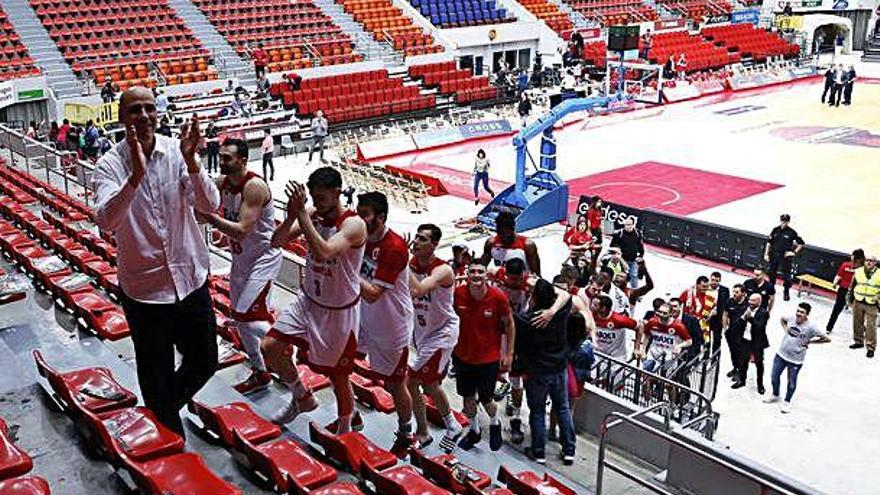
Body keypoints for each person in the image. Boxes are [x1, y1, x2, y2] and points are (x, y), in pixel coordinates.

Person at [91, 87, 220, 436]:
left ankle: (159, 413)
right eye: (135, 110)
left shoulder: (178, 153)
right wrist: (135, 176)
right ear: (121, 117)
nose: (144, 116)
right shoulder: (109, 165)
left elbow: (210, 204)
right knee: (155, 376)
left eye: (149, 108)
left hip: (190, 281)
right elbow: (106, 220)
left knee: (206, 361)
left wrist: (193, 162)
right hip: (145, 293)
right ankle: (170, 454)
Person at [263, 168, 367, 433]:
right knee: (271, 346)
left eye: (321, 197)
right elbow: (276, 241)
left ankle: (346, 428)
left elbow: (324, 252)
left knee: (338, 376)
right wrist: (290, 218)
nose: (316, 202)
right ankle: (301, 397)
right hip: (308, 299)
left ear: (337, 193)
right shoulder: (312, 214)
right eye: (313, 197)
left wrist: (301, 214)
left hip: (338, 310)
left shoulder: (353, 224)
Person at [198, 137, 282, 394]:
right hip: (241, 260)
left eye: (227, 158)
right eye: (220, 157)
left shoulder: (254, 186)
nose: (221, 161)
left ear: (243, 161)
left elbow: (243, 231)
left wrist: (209, 217)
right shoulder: (223, 183)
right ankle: (260, 371)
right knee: (241, 317)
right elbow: (199, 194)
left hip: (262, 259)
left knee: (249, 316)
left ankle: (284, 351)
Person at [356, 192, 416, 457]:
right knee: (338, 362)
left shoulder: (393, 247)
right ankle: (349, 416)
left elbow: (371, 293)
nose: (359, 218)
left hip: (392, 325)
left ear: (381, 217)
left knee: (394, 384)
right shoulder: (359, 235)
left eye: (365, 214)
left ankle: (407, 433)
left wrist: (345, 268)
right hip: (363, 316)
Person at [408, 224, 462, 451]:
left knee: (410, 380)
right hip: (423, 333)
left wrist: (400, 261)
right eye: (416, 237)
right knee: (430, 385)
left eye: (422, 239)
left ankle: (422, 431)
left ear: (434, 245)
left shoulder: (443, 270)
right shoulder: (411, 265)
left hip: (442, 333)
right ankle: (452, 424)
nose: (416, 242)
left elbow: (419, 289)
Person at [453, 261, 515, 452]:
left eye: (481, 271)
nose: (477, 275)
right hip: (462, 356)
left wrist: (509, 353)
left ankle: (495, 424)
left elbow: (509, 325)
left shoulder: (498, 297)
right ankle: (474, 431)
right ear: (467, 274)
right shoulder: (458, 294)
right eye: (472, 271)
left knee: (487, 400)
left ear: (487, 276)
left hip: (488, 359)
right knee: (467, 399)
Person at [517, 280, 575, 465]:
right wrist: (552, 310)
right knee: (563, 408)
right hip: (559, 368)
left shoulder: (529, 319)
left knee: (538, 412)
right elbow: (565, 296)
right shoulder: (560, 312)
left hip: (538, 372)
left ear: (533, 297)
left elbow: (507, 315)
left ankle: (539, 452)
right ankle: (569, 450)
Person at [764, 303, 830, 412]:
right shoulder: (791, 318)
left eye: (802, 312)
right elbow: (782, 319)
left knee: (791, 382)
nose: (798, 314)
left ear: (807, 315)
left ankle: (787, 401)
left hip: (795, 360)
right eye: (798, 311)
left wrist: (810, 342)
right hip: (781, 355)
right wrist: (786, 329)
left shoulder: (811, 327)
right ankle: (775, 395)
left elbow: (826, 339)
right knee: (774, 376)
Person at [638, 303, 692, 376]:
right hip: (653, 355)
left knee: (666, 383)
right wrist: (643, 349)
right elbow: (647, 335)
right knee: (646, 377)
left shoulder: (678, 326)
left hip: (670, 358)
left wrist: (679, 346)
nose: (661, 314)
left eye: (665, 313)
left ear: (671, 314)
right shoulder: (652, 322)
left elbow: (689, 341)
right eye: (660, 312)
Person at [730, 294, 769, 392]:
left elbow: (760, 327)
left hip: (757, 342)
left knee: (759, 363)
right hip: (745, 340)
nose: (750, 303)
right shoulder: (745, 309)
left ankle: (760, 384)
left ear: (759, 302)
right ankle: (742, 381)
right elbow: (738, 323)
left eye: (753, 301)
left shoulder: (763, 313)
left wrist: (750, 317)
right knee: (743, 362)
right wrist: (743, 317)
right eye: (750, 300)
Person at [764, 214, 804, 301]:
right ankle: (771, 290)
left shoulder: (791, 232)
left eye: (785, 221)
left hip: (785, 257)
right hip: (774, 254)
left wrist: (793, 252)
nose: (783, 223)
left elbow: (801, 243)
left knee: (787, 276)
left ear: (788, 222)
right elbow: (769, 243)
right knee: (772, 274)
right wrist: (766, 254)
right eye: (782, 221)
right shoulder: (775, 230)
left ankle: (786, 292)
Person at [848, 254, 879, 358]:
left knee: (871, 326)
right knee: (857, 323)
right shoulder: (858, 271)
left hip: (872, 303)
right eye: (867, 260)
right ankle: (858, 341)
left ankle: (870, 348)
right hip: (858, 301)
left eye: (871, 261)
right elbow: (852, 286)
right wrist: (849, 299)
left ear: (875, 263)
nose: (869, 263)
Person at [827, 249, 864, 333]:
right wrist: (835, 283)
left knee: (859, 313)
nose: (852, 257)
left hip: (856, 292)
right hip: (843, 290)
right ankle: (829, 328)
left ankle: (861, 330)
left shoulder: (863, 269)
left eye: (854, 256)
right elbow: (838, 275)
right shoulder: (845, 265)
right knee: (836, 309)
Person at [722, 284, 749, 379]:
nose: (734, 294)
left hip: (743, 334)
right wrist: (725, 328)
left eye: (737, 292)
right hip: (731, 332)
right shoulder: (730, 301)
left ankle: (741, 372)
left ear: (743, 293)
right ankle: (735, 368)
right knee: (733, 352)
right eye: (734, 292)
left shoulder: (748, 304)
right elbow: (725, 314)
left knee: (741, 354)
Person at [610, 217, 644, 289]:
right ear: (624, 225)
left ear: (633, 224)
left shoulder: (637, 233)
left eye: (630, 224)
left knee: (634, 275)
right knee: (620, 276)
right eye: (627, 225)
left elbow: (640, 245)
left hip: (633, 259)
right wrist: (617, 254)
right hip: (621, 260)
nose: (629, 226)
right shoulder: (619, 234)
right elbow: (612, 246)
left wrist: (641, 255)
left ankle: (634, 291)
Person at [707, 271, 729, 352]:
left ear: (719, 281)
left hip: (717, 319)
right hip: (706, 318)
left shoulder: (725, 290)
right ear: (710, 279)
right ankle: (705, 356)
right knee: (706, 339)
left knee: (717, 339)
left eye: (716, 281)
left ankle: (715, 358)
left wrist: (725, 321)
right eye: (712, 280)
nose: (714, 282)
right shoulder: (705, 288)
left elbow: (726, 307)